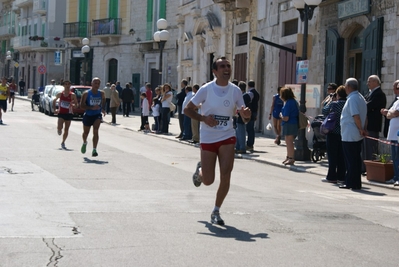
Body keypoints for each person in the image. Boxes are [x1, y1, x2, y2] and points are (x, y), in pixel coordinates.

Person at [184, 56, 251, 226]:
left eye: (228, 66)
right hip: (208, 137)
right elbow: (187, 110)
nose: (226, 68)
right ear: (215, 71)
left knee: (226, 174)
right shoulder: (206, 89)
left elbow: (244, 116)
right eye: (222, 66)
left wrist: (246, 115)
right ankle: (200, 173)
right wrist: (203, 118)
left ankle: (216, 210)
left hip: (227, 136)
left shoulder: (235, 91)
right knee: (208, 180)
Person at [340, 78, 367, 190]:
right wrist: (363, 128)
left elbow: (355, 115)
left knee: (351, 160)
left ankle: (351, 182)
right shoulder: (360, 97)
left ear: (349, 87)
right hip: (355, 133)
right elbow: (365, 116)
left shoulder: (352, 99)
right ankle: (355, 182)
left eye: (346, 86)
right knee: (355, 159)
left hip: (350, 133)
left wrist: (361, 128)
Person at [321, 85, 347, 183]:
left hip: (333, 132)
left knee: (332, 156)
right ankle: (341, 176)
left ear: (338, 94)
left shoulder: (335, 104)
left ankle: (331, 176)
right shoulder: (347, 103)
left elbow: (324, 111)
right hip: (343, 133)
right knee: (341, 156)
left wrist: (330, 100)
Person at [362, 75, 386, 172]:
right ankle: (363, 168)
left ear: (376, 82)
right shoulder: (370, 93)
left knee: (370, 148)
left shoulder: (379, 94)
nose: (367, 83)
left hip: (372, 125)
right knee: (364, 148)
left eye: (370, 81)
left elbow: (368, 105)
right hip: (366, 125)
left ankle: (370, 169)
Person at [80, 77, 106, 157]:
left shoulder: (101, 93)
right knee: (85, 133)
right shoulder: (86, 93)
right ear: (91, 83)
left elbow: (103, 101)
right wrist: (91, 108)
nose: (97, 85)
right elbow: (81, 106)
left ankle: (94, 149)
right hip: (88, 115)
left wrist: (103, 109)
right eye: (95, 83)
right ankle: (84, 142)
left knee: (95, 130)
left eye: (98, 83)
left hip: (97, 115)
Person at [52, 80, 78, 149]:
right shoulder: (60, 94)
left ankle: (63, 142)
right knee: (60, 127)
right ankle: (59, 129)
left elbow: (76, 104)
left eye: (68, 84)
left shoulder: (72, 95)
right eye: (66, 84)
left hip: (68, 113)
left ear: (70, 85)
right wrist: (55, 109)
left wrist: (74, 105)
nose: (67, 86)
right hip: (61, 113)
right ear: (63, 86)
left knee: (66, 129)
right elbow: (54, 100)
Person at [279, 87, 299, 165]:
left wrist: (281, 116)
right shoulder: (292, 101)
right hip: (292, 123)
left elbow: (286, 117)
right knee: (287, 141)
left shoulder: (289, 103)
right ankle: (288, 156)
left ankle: (291, 158)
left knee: (289, 141)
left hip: (290, 123)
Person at [386, 82, 399, 186]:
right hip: (394, 135)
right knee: (394, 157)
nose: (395, 90)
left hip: (397, 135)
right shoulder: (396, 101)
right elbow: (388, 114)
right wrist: (390, 113)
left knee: (397, 157)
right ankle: (395, 177)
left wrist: (390, 113)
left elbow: (395, 113)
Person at [235, 81, 251, 153]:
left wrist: (243, 117)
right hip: (241, 116)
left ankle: (242, 147)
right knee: (238, 132)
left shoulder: (244, 96)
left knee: (241, 133)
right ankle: (238, 146)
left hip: (242, 116)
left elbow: (241, 108)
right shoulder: (246, 95)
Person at [246, 80, 259, 152]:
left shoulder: (250, 93)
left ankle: (250, 144)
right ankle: (250, 144)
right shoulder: (256, 93)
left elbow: (248, 102)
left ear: (248, 85)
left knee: (249, 128)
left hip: (250, 112)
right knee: (251, 128)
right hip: (254, 111)